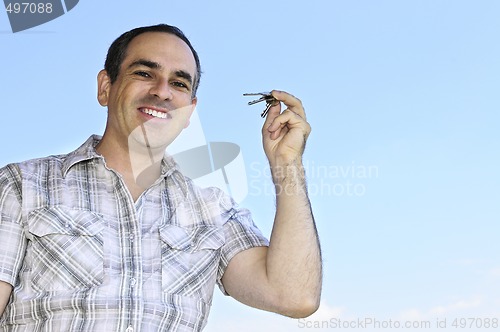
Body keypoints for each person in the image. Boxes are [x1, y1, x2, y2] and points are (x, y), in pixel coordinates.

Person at [0, 24, 322, 331]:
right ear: (105, 87)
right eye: (144, 73)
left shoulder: (213, 212)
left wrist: (287, 165)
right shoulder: (22, 186)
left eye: (179, 83)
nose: (162, 92)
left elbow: (294, 295)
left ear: (189, 113)